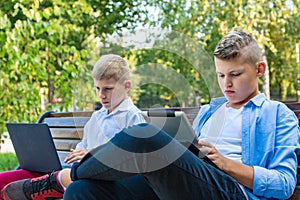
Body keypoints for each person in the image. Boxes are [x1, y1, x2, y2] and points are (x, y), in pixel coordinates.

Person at [3, 28, 300, 200]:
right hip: (184, 184)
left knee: (144, 135)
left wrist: (225, 163)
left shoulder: (278, 116)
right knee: (83, 191)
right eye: (221, 75)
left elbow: (285, 185)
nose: (227, 84)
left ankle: (58, 179)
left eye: (235, 74)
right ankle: (69, 180)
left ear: (259, 69)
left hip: (232, 192)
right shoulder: (211, 111)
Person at [1, 54, 158, 200]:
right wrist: (77, 154)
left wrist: (91, 155)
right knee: (3, 180)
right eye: (97, 88)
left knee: (72, 186)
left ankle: (53, 182)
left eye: (108, 89)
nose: (101, 95)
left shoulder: (133, 117)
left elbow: (130, 162)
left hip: (101, 179)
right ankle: (52, 180)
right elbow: (82, 147)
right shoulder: (97, 117)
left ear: (126, 86)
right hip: (75, 170)